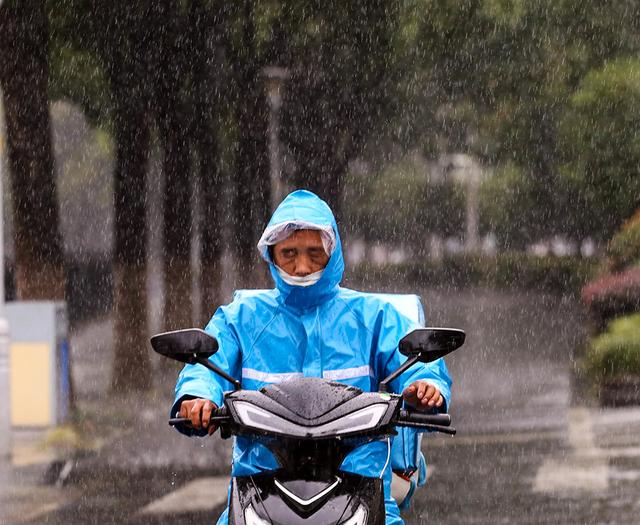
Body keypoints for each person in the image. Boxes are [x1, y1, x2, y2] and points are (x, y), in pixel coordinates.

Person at [172, 189, 451, 525]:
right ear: (271, 254)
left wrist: (425, 386)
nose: (301, 266)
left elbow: (418, 361)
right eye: (289, 253)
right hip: (259, 489)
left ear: (333, 254)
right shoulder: (240, 318)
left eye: (314, 253)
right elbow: (207, 365)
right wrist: (197, 397)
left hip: (360, 484)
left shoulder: (373, 316)